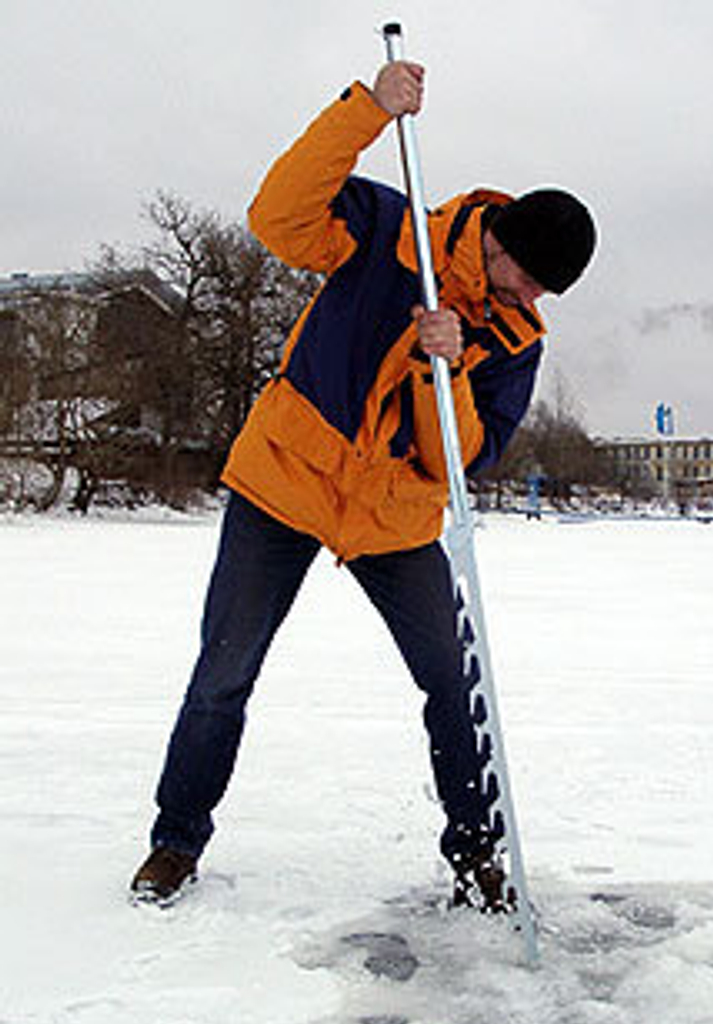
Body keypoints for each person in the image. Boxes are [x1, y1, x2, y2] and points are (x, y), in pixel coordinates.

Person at [130, 60, 596, 909]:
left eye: (544, 291)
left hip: (395, 516)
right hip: (286, 481)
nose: (534, 297)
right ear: (499, 243)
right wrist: (368, 111)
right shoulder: (391, 230)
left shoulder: (515, 339)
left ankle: (477, 851)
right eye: (529, 278)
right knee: (224, 673)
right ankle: (174, 841)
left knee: (456, 684)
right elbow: (276, 218)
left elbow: (464, 456)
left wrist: (442, 369)